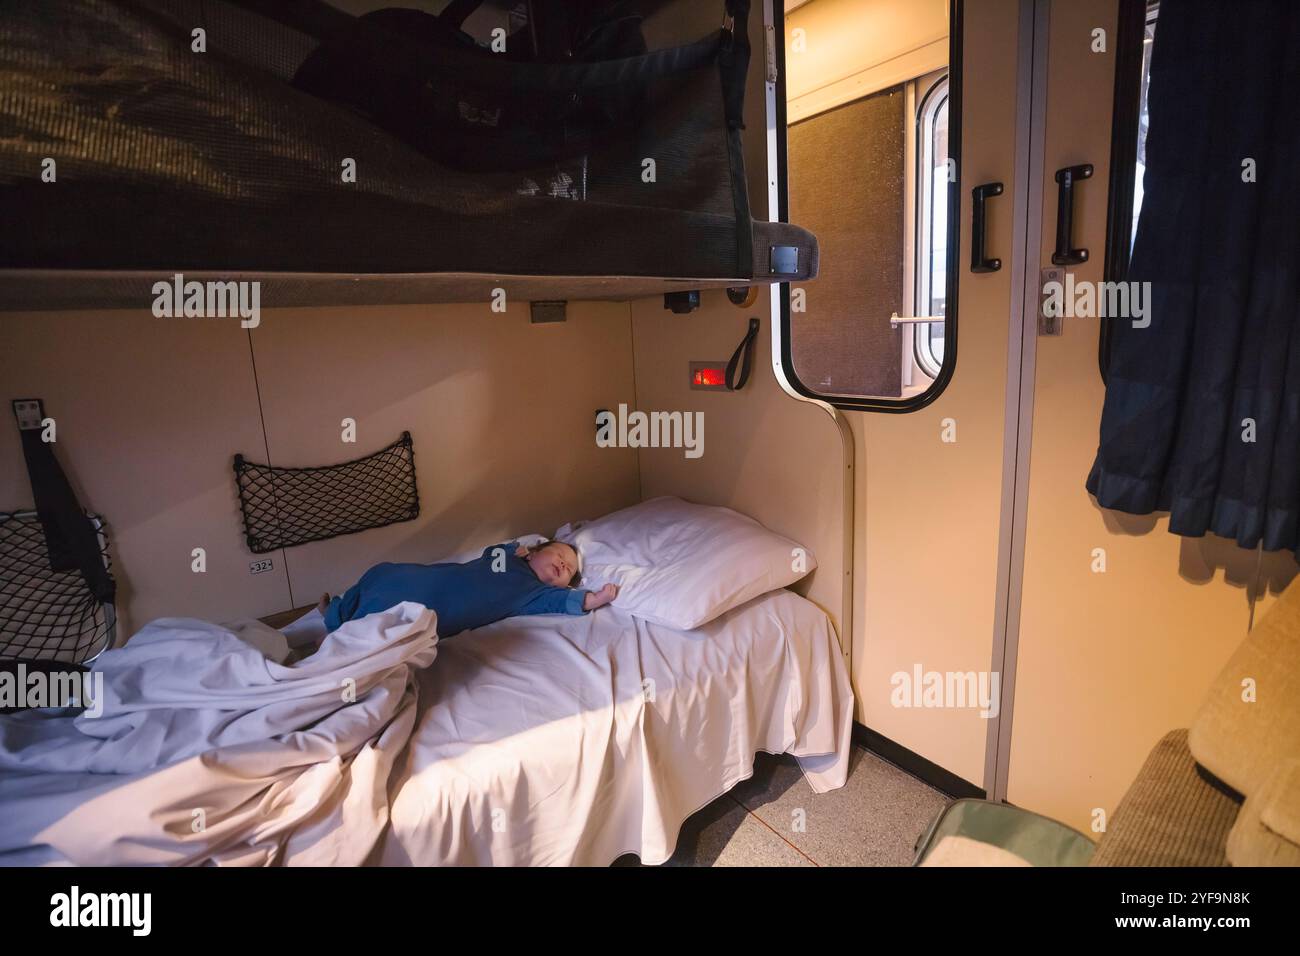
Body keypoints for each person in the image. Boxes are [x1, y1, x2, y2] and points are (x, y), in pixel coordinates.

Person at [319, 539, 617, 637]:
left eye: (568, 572)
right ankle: (337, 610)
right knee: (384, 575)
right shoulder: (512, 561)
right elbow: (491, 554)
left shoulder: (534, 593)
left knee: (394, 611)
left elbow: (564, 603)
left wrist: (597, 598)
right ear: (537, 551)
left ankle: (338, 631)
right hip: (437, 577)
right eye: (560, 556)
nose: (564, 566)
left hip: (442, 605)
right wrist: (514, 548)